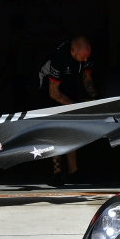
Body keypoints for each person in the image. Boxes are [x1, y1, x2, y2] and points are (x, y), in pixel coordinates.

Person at [38, 37, 97, 185]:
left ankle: (73, 172)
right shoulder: (59, 57)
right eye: (82, 58)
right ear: (72, 52)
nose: (85, 61)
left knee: (72, 128)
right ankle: (57, 173)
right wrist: (76, 106)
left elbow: (86, 78)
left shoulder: (86, 56)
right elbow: (53, 93)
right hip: (49, 86)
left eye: (87, 58)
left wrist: (96, 99)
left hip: (69, 84)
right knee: (56, 130)